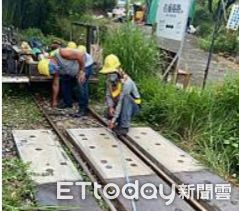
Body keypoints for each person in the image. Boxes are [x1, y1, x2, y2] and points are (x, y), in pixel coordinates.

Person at [37, 47, 86, 116]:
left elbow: (80, 55)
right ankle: (68, 103)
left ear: (49, 62)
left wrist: (82, 71)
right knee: (65, 83)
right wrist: (54, 100)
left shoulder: (61, 53)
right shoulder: (55, 68)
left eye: (51, 70)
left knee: (81, 85)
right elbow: (55, 84)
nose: (53, 72)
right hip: (72, 70)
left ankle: (83, 109)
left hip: (85, 64)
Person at [100, 54, 141, 135]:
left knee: (126, 97)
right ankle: (119, 119)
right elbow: (108, 95)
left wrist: (113, 120)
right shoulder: (109, 81)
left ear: (117, 70)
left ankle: (124, 126)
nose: (109, 75)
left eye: (111, 72)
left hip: (132, 107)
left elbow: (121, 102)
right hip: (119, 104)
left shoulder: (126, 82)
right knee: (107, 113)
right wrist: (111, 107)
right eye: (108, 73)